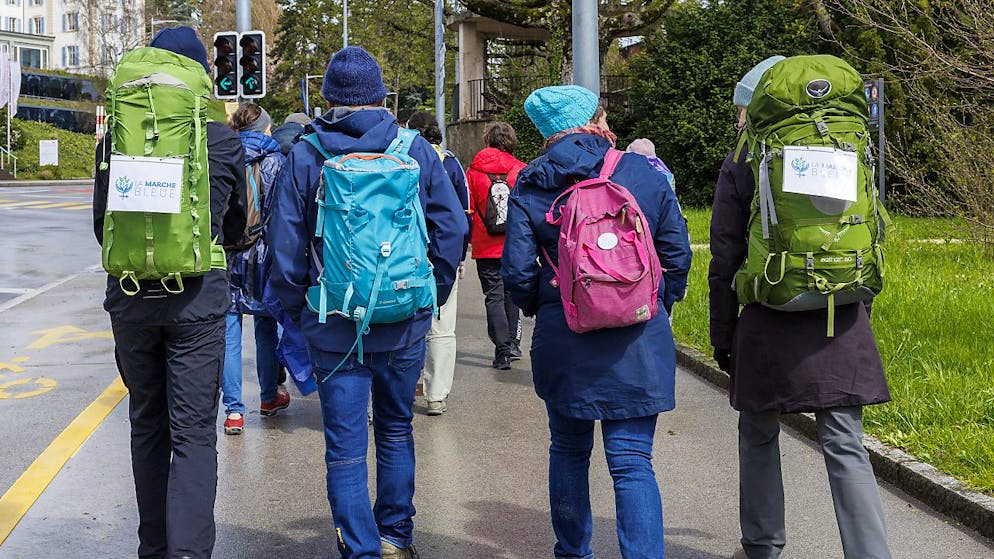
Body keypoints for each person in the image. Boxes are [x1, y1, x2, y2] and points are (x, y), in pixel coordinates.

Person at [268, 46, 466, 559]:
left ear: (328, 98)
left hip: (333, 322)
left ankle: (360, 550)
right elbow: (452, 229)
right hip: (403, 320)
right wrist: (430, 296)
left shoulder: (306, 155)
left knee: (345, 449)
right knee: (397, 430)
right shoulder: (414, 148)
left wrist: (303, 311)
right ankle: (396, 537)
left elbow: (286, 248)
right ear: (382, 96)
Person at [710, 56, 892, 559]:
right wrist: (859, 305)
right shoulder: (850, 143)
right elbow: (869, 229)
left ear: (756, 102)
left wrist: (723, 337)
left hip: (770, 313)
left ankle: (763, 547)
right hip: (841, 313)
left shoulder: (747, 156)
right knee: (845, 441)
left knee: (759, 433)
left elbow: (725, 253)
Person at [502, 85, 691, 559]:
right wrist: (649, 303)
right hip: (637, 337)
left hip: (564, 334)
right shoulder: (641, 172)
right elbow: (676, 254)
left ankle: (572, 553)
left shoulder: (530, 181)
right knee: (632, 462)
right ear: (595, 119)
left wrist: (547, 306)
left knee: (567, 450)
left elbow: (518, 272)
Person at [93, 27, 246, 558]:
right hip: (197, 303)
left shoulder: (118, 135)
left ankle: (153, 549)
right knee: (194, 434)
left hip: (131, 301)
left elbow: (101, 225)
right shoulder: (222, 139)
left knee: (147, 424)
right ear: (199, 75)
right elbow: (238, 227)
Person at [220, 103, 291, 435]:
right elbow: (282, 217)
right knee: (266, 327)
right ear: (264, 128)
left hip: (229, 254)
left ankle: (234, 411)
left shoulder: (225, 154)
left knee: (230, 332)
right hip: (263, 257)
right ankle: (267, 396)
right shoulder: (276, 161)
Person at [405, 110, 471, 416]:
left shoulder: (401, 156)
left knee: (404, 321)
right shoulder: (451, 162)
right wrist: (459, 255)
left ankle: (405, 385)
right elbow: (462, 214)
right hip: (444, 251)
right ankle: (436, 394)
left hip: (407, 253)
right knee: (442, 327)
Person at [466, 121, 526, 370]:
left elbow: (468, 209)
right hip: (515, 243)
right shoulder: (521, 170)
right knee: (512, 294)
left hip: (485, 244)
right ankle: (512, 343)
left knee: (493, 296)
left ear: (487, 140)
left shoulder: (474, 171)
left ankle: (501, 351)